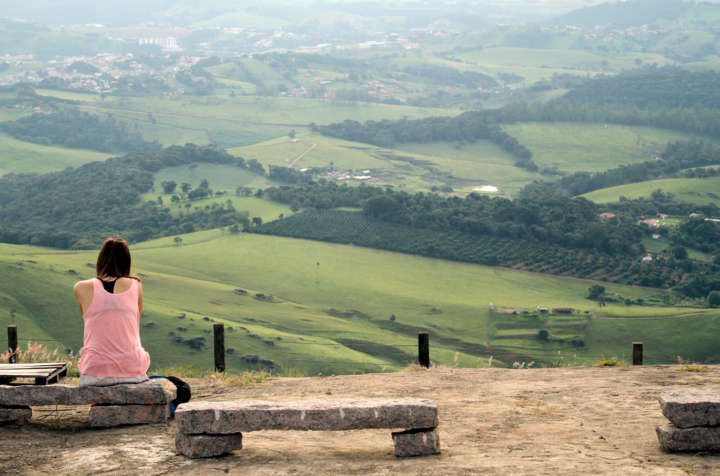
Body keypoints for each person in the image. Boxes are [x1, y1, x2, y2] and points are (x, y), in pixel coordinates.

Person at [73, 237, 150, 387]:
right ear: (127, 261)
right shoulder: (136, 285)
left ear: (100, 260)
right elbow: (135, 326)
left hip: (95, 372)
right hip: (132, 369)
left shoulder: (80, 288)